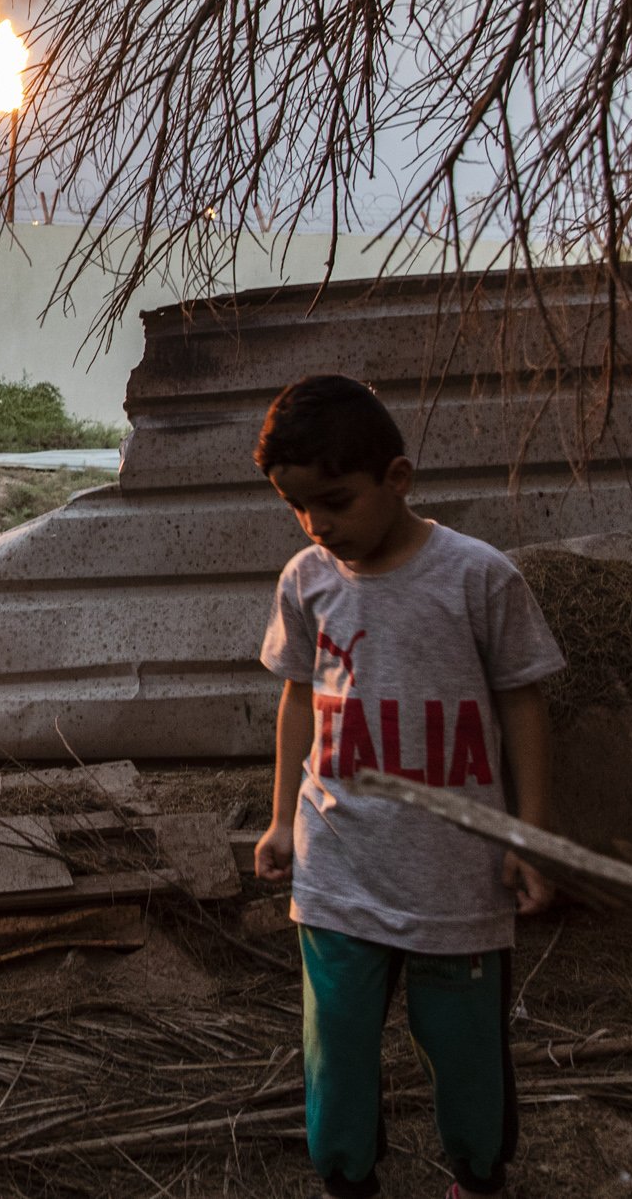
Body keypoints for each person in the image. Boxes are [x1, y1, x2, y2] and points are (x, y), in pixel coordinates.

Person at [248, 374, 564, 1199]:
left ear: (398, 478)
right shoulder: (307, 579)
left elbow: (524, 703)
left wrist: (530, 835)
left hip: (454, 875)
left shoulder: (478, 578)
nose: (319, 523)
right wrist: (282, 818)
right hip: (338, 863)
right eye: (297, 506)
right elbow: (295, 698)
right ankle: (347, 1178)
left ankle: (478, 1174)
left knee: (463, 1046)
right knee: (337, 1044)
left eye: (336, 500)